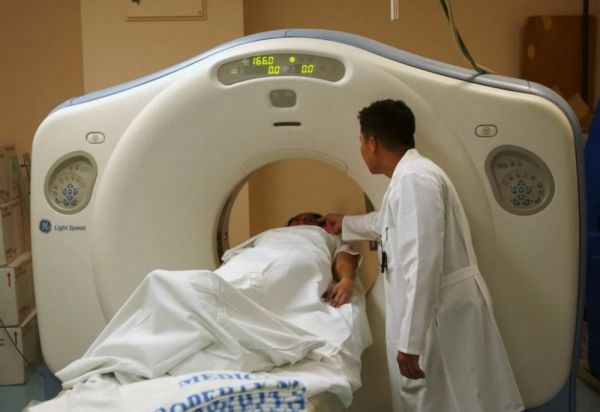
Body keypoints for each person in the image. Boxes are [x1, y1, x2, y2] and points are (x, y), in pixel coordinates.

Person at [321, 99, 524, 412]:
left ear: (372, 142)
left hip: (439, 315)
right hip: (439, 311)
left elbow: (422, 263)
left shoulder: (414, 180)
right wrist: (345, 223)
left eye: (360, 140)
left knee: (444, 399)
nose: (360, 148)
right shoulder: (410, 177)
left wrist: (411, 342)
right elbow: (387, 223)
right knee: (458, 397)